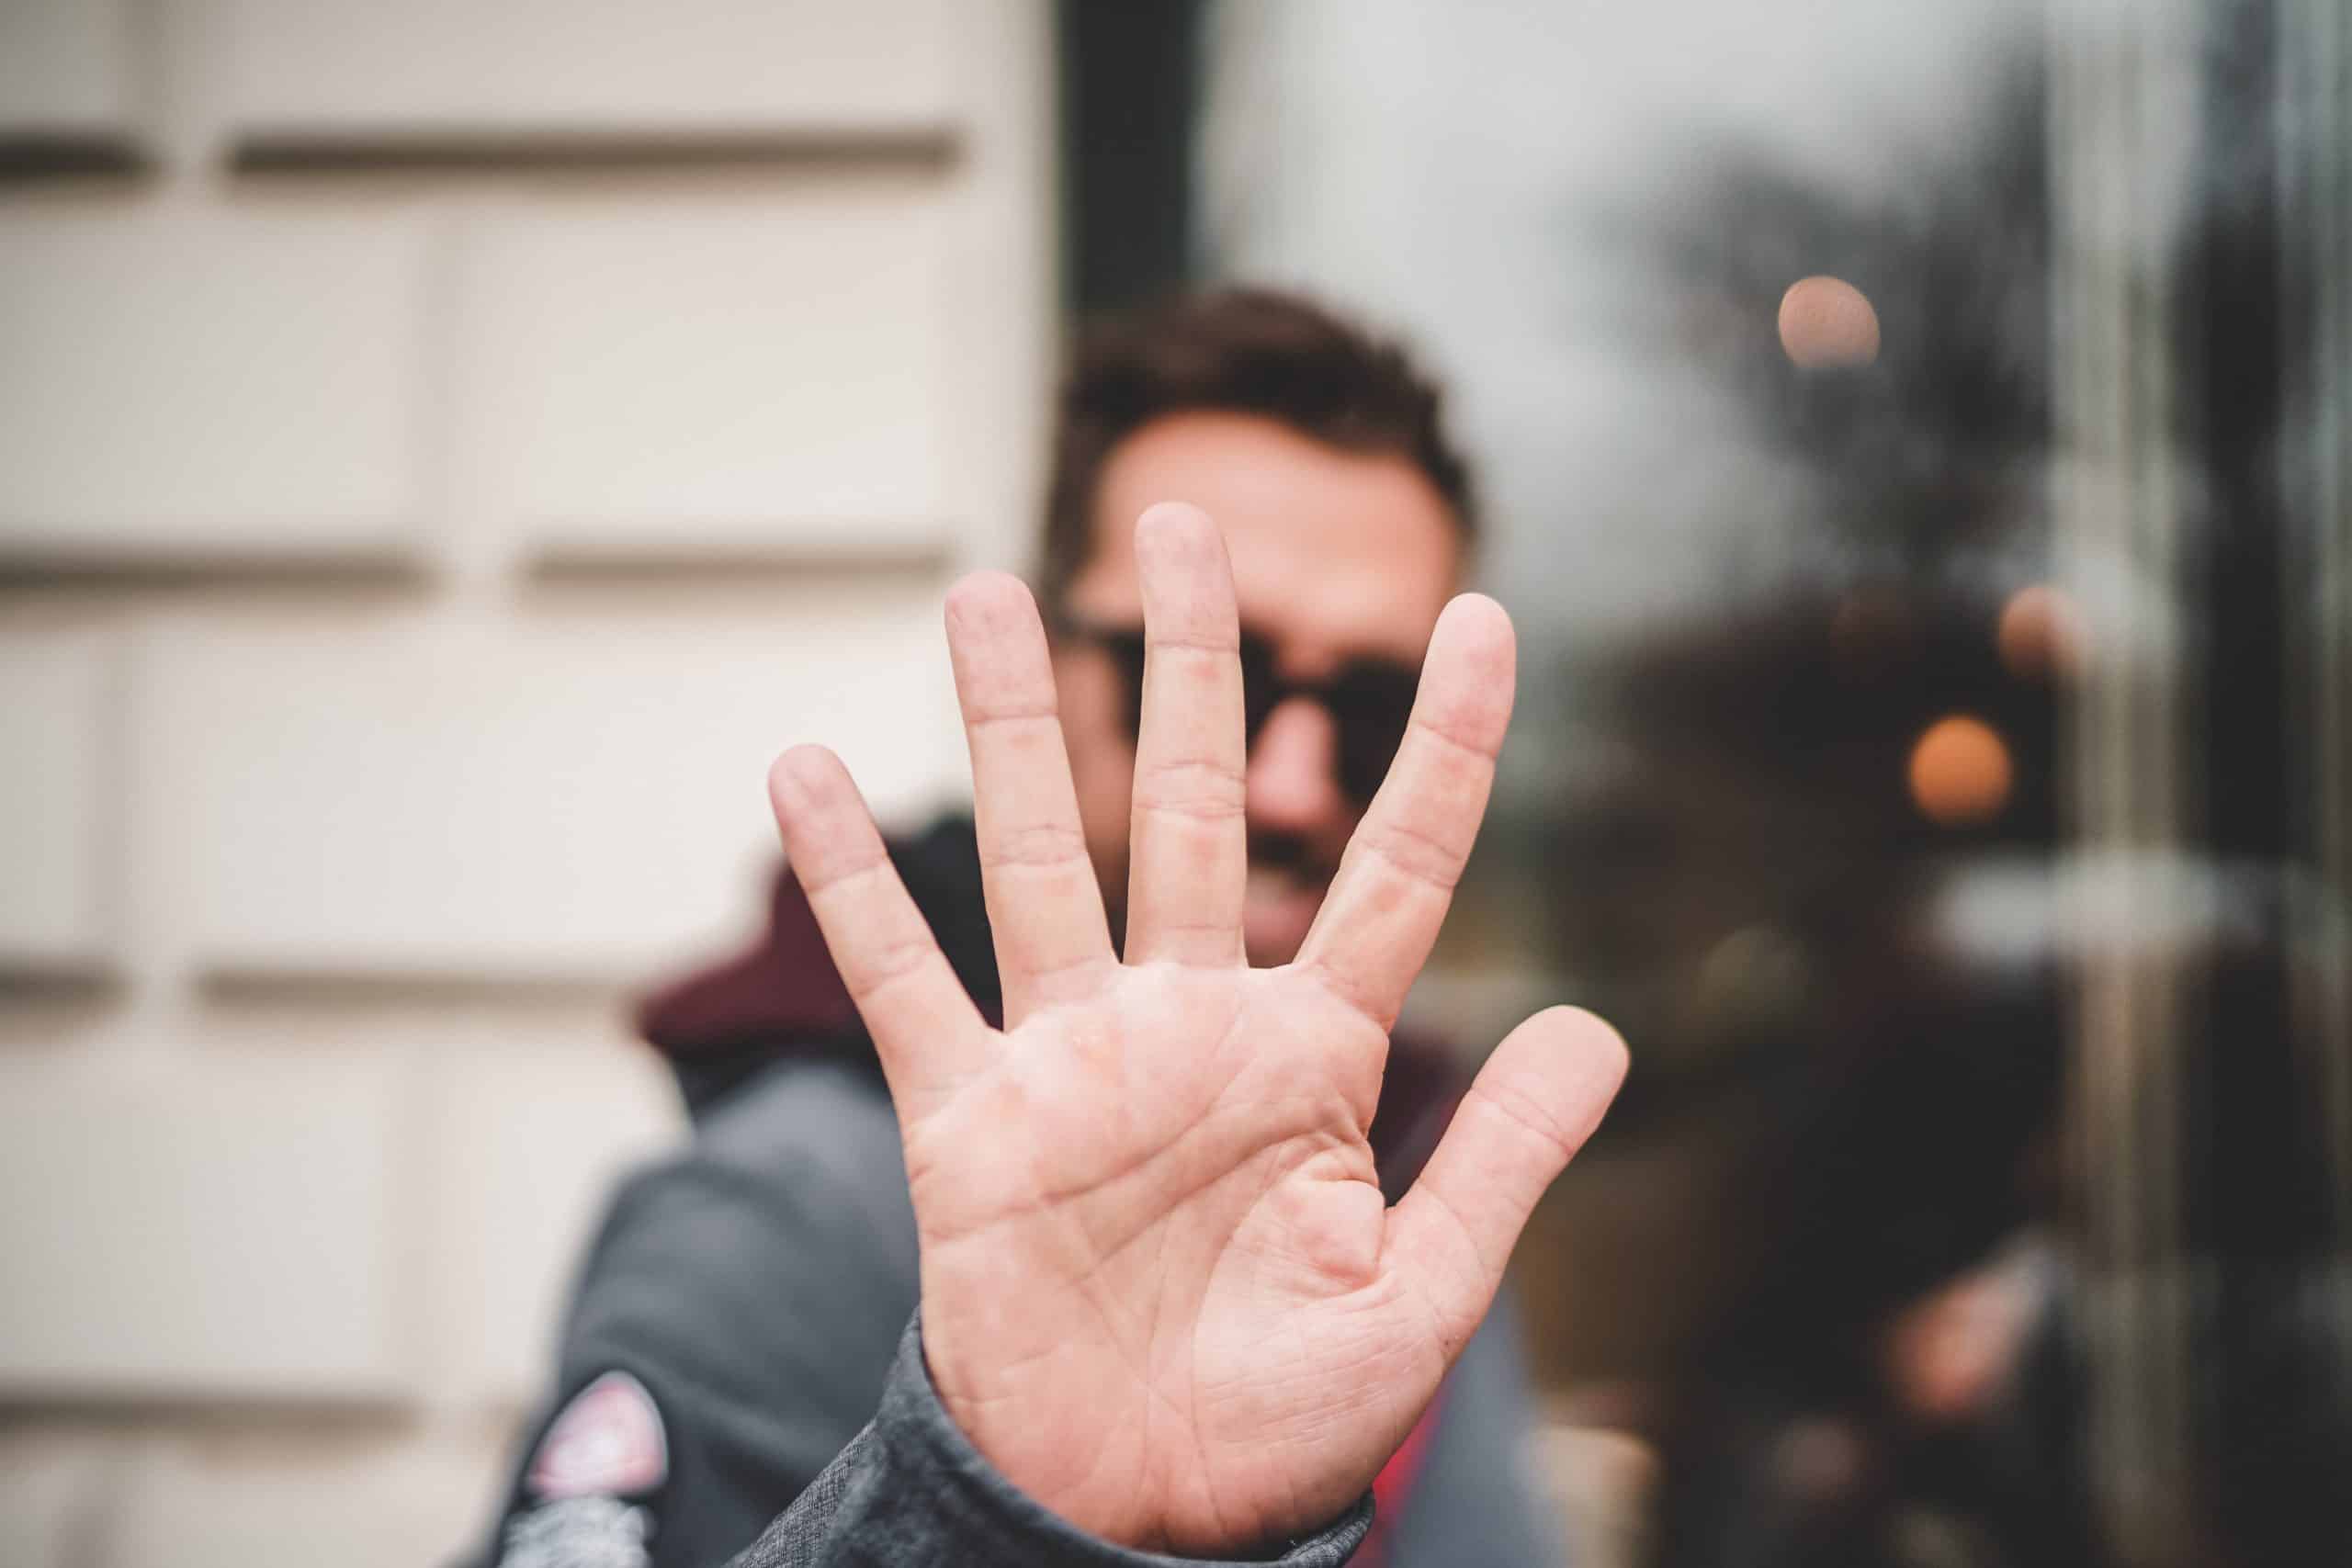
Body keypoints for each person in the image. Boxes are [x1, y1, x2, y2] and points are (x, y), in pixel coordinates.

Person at [475, 289, 1627, 1568]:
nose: (1296, 786)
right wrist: (983, 1522)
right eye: (1212, 674)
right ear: (1054, 653)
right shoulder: (782, 1211)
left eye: (1369, 709)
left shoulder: (1400, 1168)